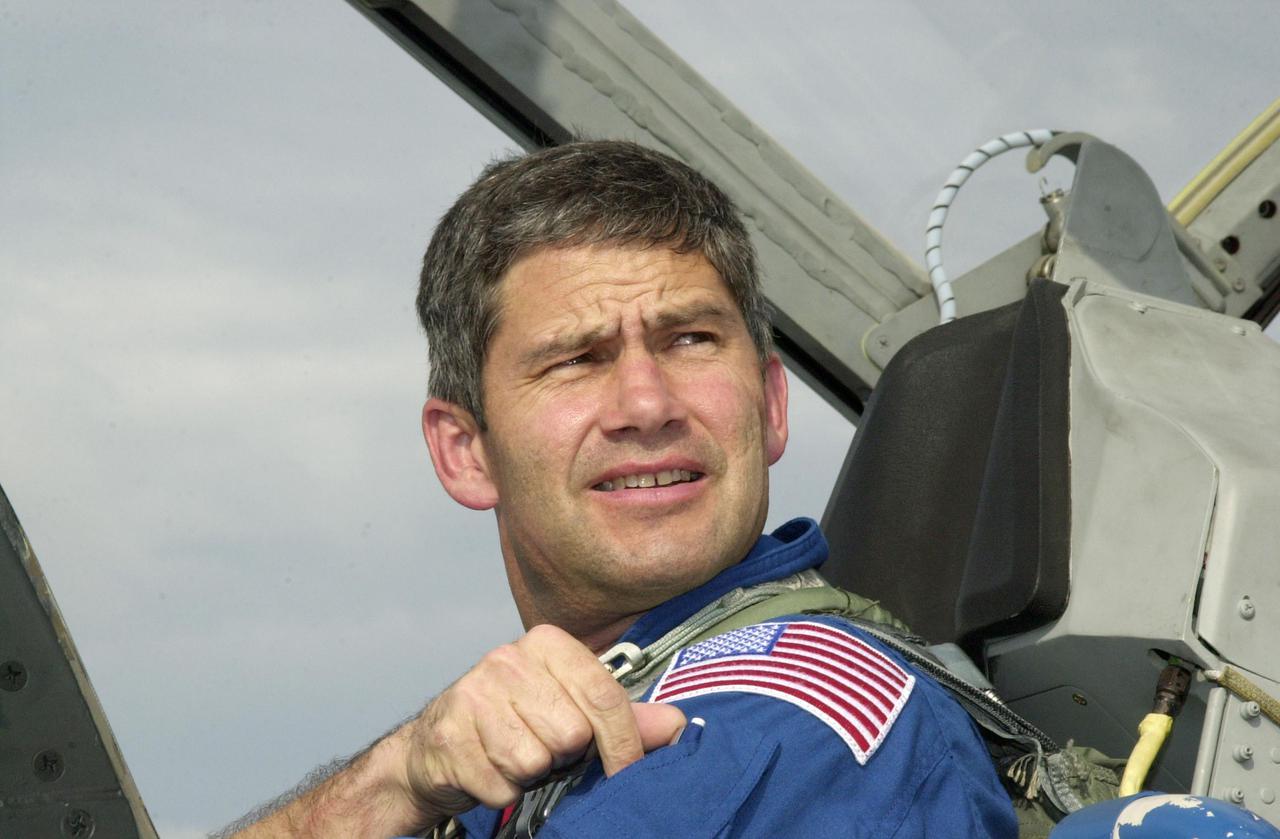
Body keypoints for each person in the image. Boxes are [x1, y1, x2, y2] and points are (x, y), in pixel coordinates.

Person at [225, 141, 1017, 838]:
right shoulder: (524, 750)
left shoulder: (796, 725)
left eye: (691, 339)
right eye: (576, 358)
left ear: (771, 406)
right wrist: (389, 780)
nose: (648, 405)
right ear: (467, 451)